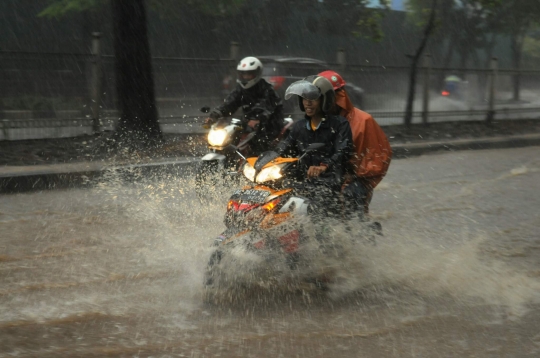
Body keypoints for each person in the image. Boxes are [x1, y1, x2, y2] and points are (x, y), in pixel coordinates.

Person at [276, 75, 353, 218]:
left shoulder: (339, 124)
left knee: (317, 214)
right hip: (302, 182)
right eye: (305, 99)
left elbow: (343, 150)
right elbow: (284, 147)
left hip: (328, 182)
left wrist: (324, 166)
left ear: (324, 100)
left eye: (313, 99)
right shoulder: (299, 127)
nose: (308, 103)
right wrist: (267, 158)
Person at [318, 70, 392, 215]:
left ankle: (362, 232)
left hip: (355, 181)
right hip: (326, 179)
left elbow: (378, 157)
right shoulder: (314, 123)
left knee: (351, 199)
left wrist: (353, 177)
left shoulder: (363, 121)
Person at [204, 56, 284, 155]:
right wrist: (215, 115)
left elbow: (265, 106)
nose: (245, 77)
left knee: (258, 145)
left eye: (249, 74)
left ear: (257, 73)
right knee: (229, 141)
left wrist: (257, 118)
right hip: (248, 124)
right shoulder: (240, 90)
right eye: (243, 74)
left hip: (270, 126)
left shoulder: (267, 89)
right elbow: (230, 103)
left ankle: (255, 167)